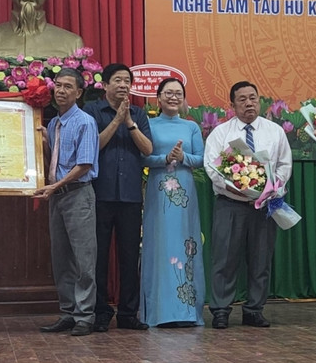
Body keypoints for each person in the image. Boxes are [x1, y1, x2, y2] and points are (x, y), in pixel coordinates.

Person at [203, 81, 292, 329]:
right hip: (230, 203)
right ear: (232, 105)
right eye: (242, 99)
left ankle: (254, 309)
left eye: (253, 98)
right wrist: (230, 186)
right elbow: (211, 166)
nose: (249, 103)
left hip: (265, 205)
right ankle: (221, 310)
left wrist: (276, 186)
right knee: (225, 259)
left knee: (261, 259)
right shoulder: (221, 133)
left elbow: (285, 165)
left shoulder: (275, 132)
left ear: (260, 100)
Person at [83, 63, 153, 332]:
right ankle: (101, 313)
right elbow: (93, 146)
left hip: (131, 197)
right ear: (105, 84)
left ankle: (127, 314)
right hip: (100, 194)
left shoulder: (138, 113)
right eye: (118, 80)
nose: (123, 85)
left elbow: (148, 150)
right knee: (98, 257)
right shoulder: (91, 111)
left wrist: (129, 123)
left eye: (127, 81)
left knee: (128, 257)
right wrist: (116, 120)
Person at [33, 68, 100, 337]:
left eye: (67, 87)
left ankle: (85, 316)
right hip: (57, 197)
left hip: (77, 194)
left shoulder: (85, 121)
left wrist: (55, 187)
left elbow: (84, 165)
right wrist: (47, 142)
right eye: (58, 85)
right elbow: (56, 160)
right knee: (61, 259)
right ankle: (68, 312)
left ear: (79, 93)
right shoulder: (54, 123)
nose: (60, 91)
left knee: (84, 259)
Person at [140, 78, 206, 327]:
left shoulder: (191, 127)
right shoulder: (148, 124)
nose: (173, 97)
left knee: (184, 244)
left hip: (185, 194)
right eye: (168, 93)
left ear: (184, 98)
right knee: (159, 246)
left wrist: (183, 157)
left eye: (178, 93)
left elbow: (201, 159)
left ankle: (187, 312)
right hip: (159, 192)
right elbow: (142, 158)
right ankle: (160, 312)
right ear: (158, 98)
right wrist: (165, 157)